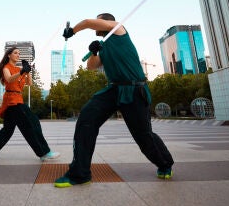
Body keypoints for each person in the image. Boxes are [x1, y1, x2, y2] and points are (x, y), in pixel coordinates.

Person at [54, 13, 174, 188]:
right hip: (114, 89)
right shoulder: (103, 45)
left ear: (106, 22)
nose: (96, 24)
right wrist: (94, 52)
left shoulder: (119, 29)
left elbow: (88, 22)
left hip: (134, 89)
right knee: (86, 119)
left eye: (100, 20)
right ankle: (80, 173)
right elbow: (91, 67)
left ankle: (165, 163)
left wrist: (71, 31)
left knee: (143, 135)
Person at [0, 47, 60, 161]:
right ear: (9, 55)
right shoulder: (6, 68)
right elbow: (9, 79)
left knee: (7, 131)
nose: (18, 55)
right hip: (12, 101)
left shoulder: (20, 69)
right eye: (15, 53)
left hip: (17, 99)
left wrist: (28, 71)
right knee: (32, 123)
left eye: (19, 53)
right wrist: (21, 71)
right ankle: (44, 153)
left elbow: (29, 83)